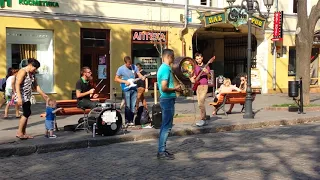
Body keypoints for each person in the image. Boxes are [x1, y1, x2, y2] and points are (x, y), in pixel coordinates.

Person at [157, 49, 182, 160]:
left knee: (165, 125)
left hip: (167, 99)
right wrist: (175, 88)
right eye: (173, 57)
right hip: (167, 99)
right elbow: (164, 87)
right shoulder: (165, 69)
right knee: (166, 127)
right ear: (169, 56)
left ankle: (162, 149)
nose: (173, 59)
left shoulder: (163, 68)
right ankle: (161, 151)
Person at [15, 58, 48, 140]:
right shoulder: (23, 71)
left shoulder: (32, 74)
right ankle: (19, 133)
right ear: (30, 65)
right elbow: (17, 84)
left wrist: (43, 94)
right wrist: (19, 98)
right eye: (35, 68)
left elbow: (36, 86)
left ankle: (24, 133)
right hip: (22, 96)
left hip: (27, 96)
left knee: (27, 113)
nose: (35, 70)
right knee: (26, 112)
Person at [114, 56, 145, 126]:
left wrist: (142, 77)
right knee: (127, 105)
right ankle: (127, 120)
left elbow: (139, 74)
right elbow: (116, 79)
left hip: (134, 87)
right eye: (128, 64)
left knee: (133, 105)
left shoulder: (134, 67)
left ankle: (131, 120)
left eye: (131, 63)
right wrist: (124, 81)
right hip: (126, 88)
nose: (130, 65)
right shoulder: (121, 69)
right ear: (125, 63)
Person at [190, 53, 211, 127]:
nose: (198, 60)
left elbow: (210, 77)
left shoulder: (206, 66)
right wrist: (192, 79)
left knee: (201, 102)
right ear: (196, 60)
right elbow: (193, 76)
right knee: (199, 103)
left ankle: (203, 119)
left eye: (199, 58)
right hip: (198, 86)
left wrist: (207, 72)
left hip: (204, 86)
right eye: (197, 59)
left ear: (202, 58)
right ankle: (204, 117)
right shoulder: (195, 67)